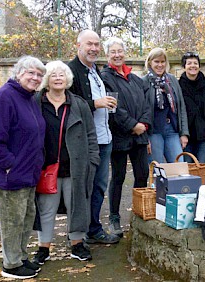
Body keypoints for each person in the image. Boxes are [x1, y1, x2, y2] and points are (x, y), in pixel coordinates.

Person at [0, 56, 46, 279]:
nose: (36, 78)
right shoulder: (4, 98)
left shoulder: (28, 98)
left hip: (29, 172)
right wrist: (9, 165)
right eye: (31, 73)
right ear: (18, 73)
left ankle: (20, 256)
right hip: (13, 174)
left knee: (26, 217)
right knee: (12, 220)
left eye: (39, 75)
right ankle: (11, 265)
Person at [32, 61, 100, 264]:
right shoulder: (36, 102)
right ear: (47, 79)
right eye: (54, 74)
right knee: (46, 208)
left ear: (68, 79)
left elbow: (91, 134)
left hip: (75, 166)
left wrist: (93, 161)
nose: (58, 77)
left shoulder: (78, 104)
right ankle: (43, 248)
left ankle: (77, 244)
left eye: (62, 74)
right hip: (46, 166)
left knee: (76, 205)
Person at [68, 30, 120, 244]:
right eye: (89, 44)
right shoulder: (70, 71)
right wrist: (95, 103)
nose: (94, 48)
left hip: (104, 138)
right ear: (78, 45)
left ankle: (92, 228)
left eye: (97, 44)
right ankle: (82, 232)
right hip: (87, 142)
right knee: (84, 188)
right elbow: (68, 105)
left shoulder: (94, 70)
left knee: (98, 186)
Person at [100, 37, 152, 236]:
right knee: (119, 177)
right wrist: (133, 125)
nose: (117, 55)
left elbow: (147, 105)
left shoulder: (135, 79)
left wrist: (144, 125)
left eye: (120, 51)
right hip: (120, 136)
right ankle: (114, 218)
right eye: (113, 51)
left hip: (140, 136)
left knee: (142, 174)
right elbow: (114, 108)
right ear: (107, 55)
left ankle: (138, 215)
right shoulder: (105, 77)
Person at [142, 47, 189, 163]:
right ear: (150, 63)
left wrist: (184, 133)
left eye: (162, 61)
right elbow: (141, 111)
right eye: (156, 61)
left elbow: (181, 107)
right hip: (154, 132)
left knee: (179, 167)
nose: (160, 65)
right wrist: (145, 138)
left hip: (172, 130)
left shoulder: (172, 80)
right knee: (158, 171)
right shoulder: (144, 82)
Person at [178, 51, 205, 163]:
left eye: (195, 63)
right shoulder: (178, 86)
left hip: (203, 136)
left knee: (200, 168)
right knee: (186, 169)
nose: (192, 66)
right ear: (184, 66)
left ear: (199, 66)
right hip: (185, 136)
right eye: (189, 63)